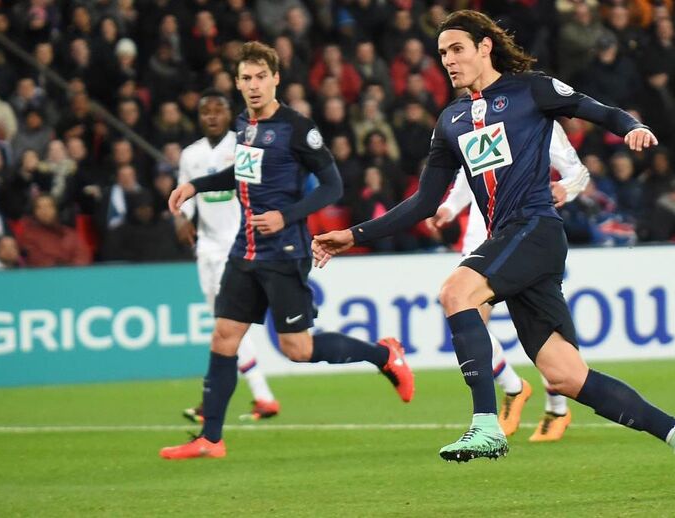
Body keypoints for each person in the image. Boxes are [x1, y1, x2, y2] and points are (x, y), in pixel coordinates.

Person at [313, 10, 673, 463]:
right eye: (442, 53)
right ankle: (671, 430)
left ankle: (485, 426)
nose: (448, 60)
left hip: (535, 228)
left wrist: (633, 127)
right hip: (511, 238)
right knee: (565, 376)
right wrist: (354, 234)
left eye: (457, 49)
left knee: (455, 292)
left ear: (485, 47)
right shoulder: (452, 120)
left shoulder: (531, 89)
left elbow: (598, 110)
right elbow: (424, 202)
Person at [161, 42, 414, 460]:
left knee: (298, 349)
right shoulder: (244, 125)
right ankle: (211, 438)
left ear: (276, 79)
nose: (254, 85)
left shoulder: (298, 128)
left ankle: (384, 355)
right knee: (224, 336)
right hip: (245, 249)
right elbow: (240, 174)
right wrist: (195, 185)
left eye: (261, 77)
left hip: (284, 250)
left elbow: (333, 186)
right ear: (237, 83)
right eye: (246, 78)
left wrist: (286, 215)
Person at [428, 121, 590, 442]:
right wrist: (449, 206)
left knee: (540, 326)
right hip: (482, 235)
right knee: (470, 320)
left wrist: (565, 188)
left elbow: (577, 172)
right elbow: (472, 171)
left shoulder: (537, 117)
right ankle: (513, 388)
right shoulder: (475, 118)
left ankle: (557, 407)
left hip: (525, 232)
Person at [174, 89, 281, 424]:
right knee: (223, 326)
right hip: (206, 248)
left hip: (237, 246)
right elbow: (185, 194)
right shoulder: (190, 155)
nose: (211, 116)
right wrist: (182, 218)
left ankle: (223, 398)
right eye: (205, 111)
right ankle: (260, 397)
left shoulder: (242, 145)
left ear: (228, 113)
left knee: (225, 325)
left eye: (217, 110)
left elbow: (252, 190)